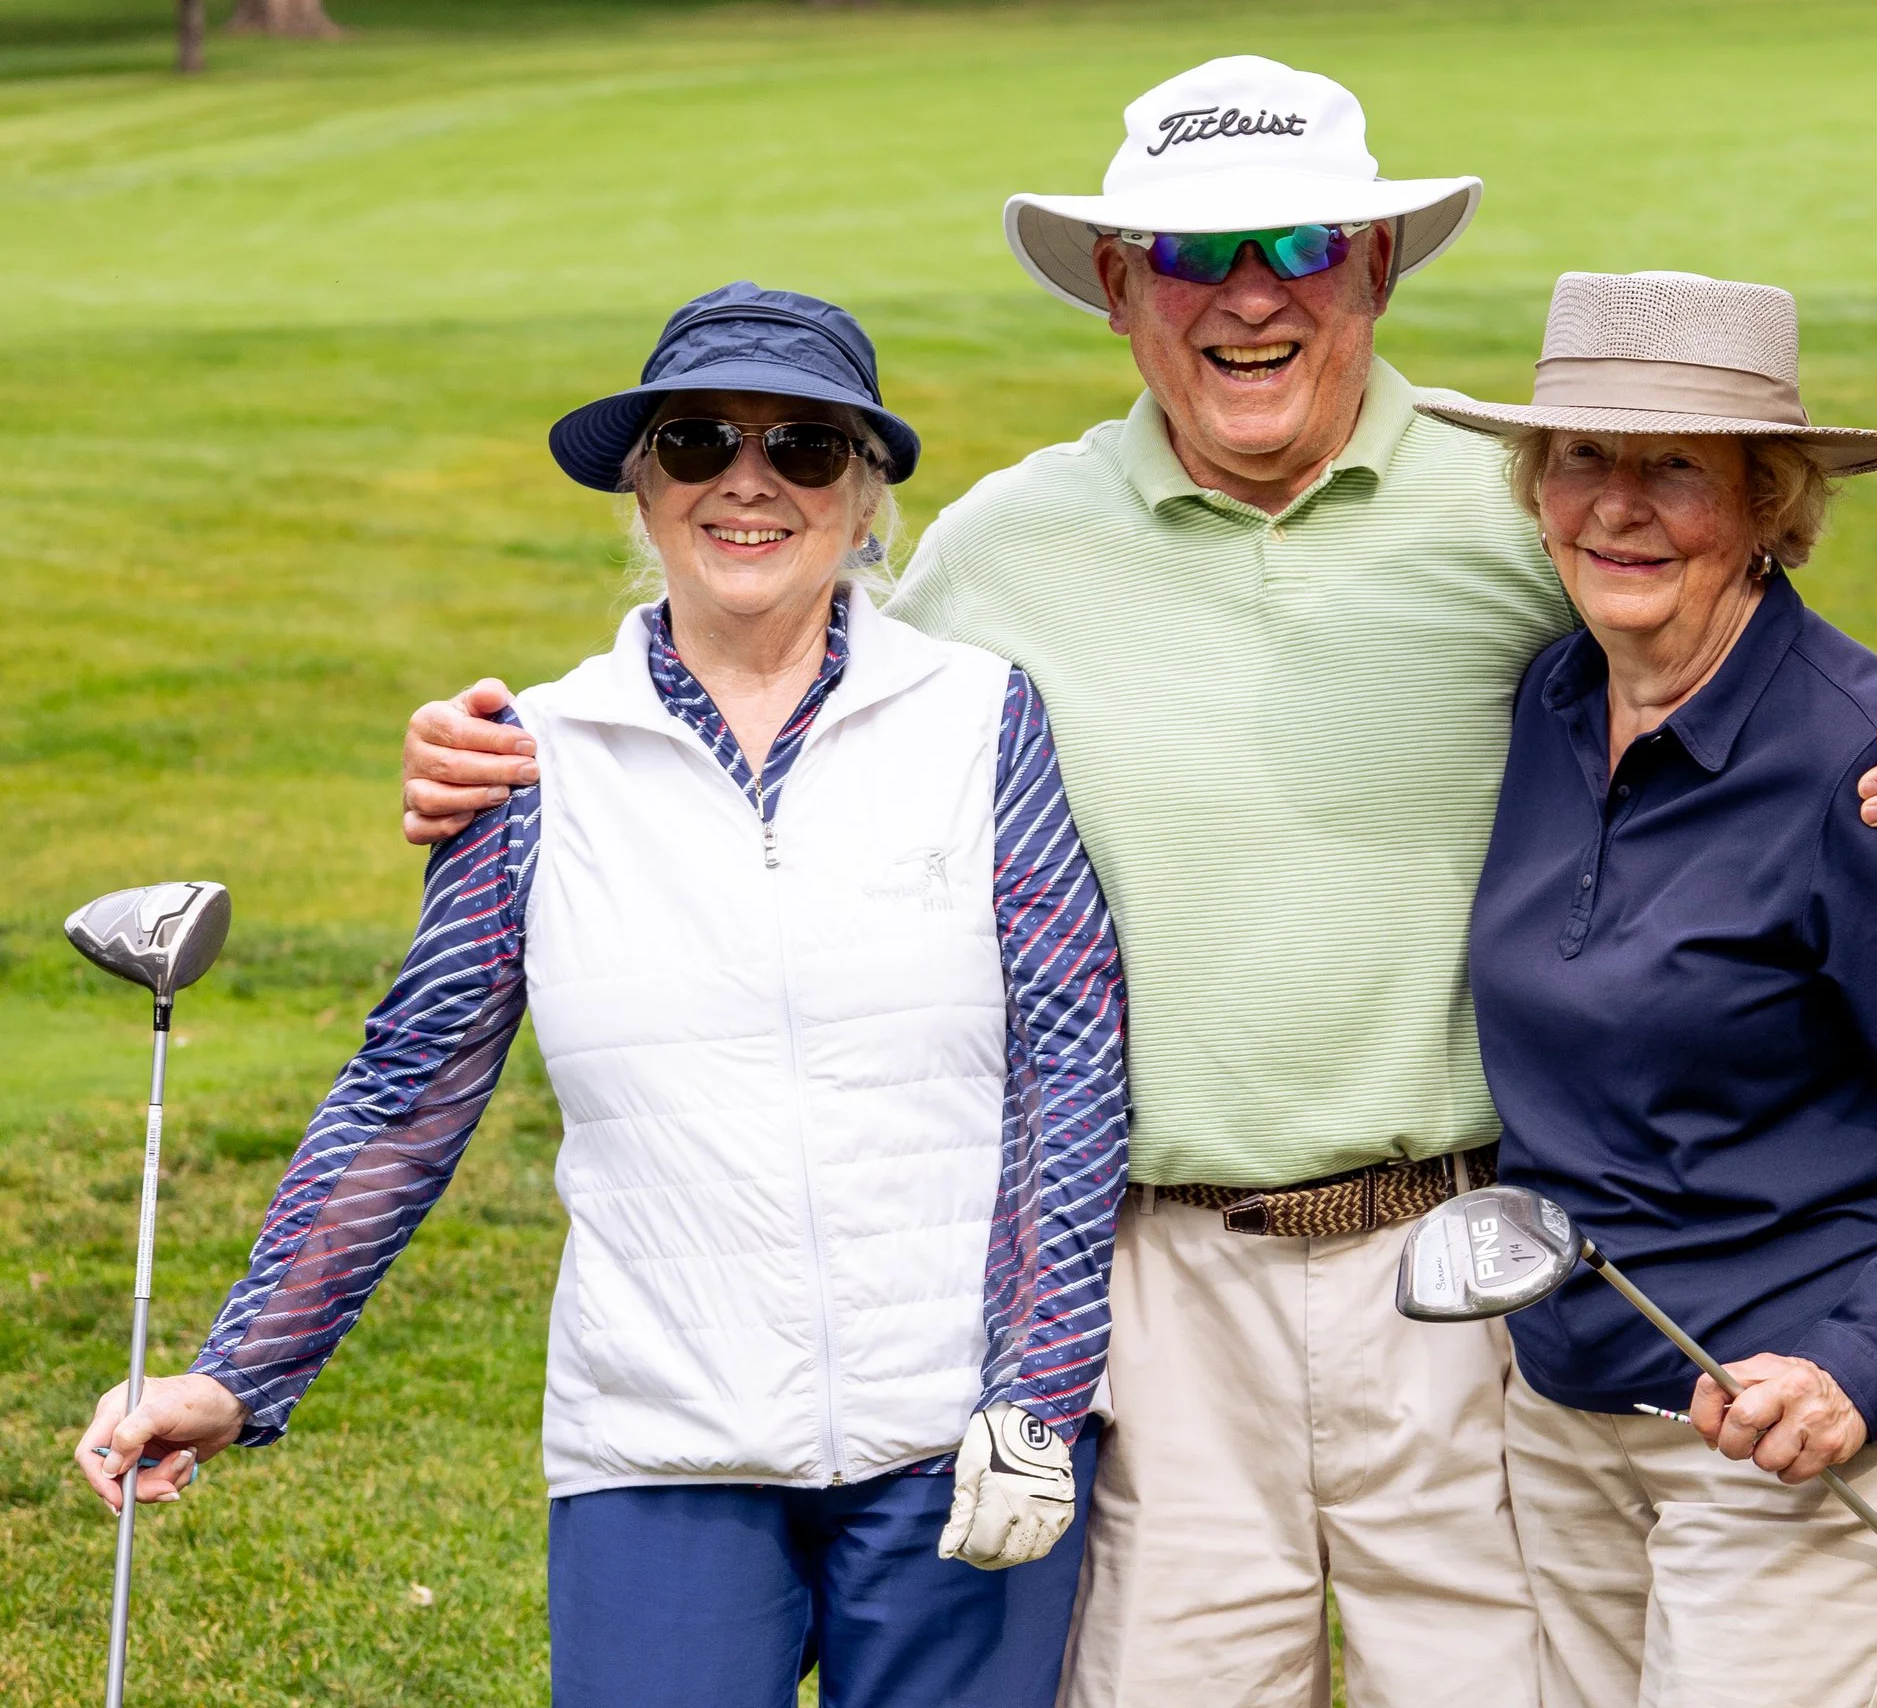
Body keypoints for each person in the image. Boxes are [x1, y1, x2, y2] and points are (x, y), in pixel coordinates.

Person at [396, 60, 1877, 1708]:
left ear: (1379, 268)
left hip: (1472, 1272)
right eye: (1193, 257)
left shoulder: (1525, 519)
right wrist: (523, 747)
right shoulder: (1002, 546)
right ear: (1119, 288)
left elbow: (1745, 675)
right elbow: (785, 715)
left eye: (1302, 247)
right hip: (1158, 1287)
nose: (1249, 299)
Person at [74, 286, 1128, 1708]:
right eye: (697, 441)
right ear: (642, 484)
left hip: (959, 1440)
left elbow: (1072, 1057)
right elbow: (413, 1088)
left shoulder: (982, 717)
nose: (748, 480)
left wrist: (1039, 1395)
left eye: (806, 449)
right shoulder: (529, 763)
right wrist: (237, 1374)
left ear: (864, 496)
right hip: (657, 1449)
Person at [1417, 269, 1877, 1708]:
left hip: (1800, 1394)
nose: (1618, 505)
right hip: (1579, 1392)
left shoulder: (1867, 769)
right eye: (1584, 458)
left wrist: (1857, 1368)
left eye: (1677, 467)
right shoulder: (1551, 700)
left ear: (1770, 504)